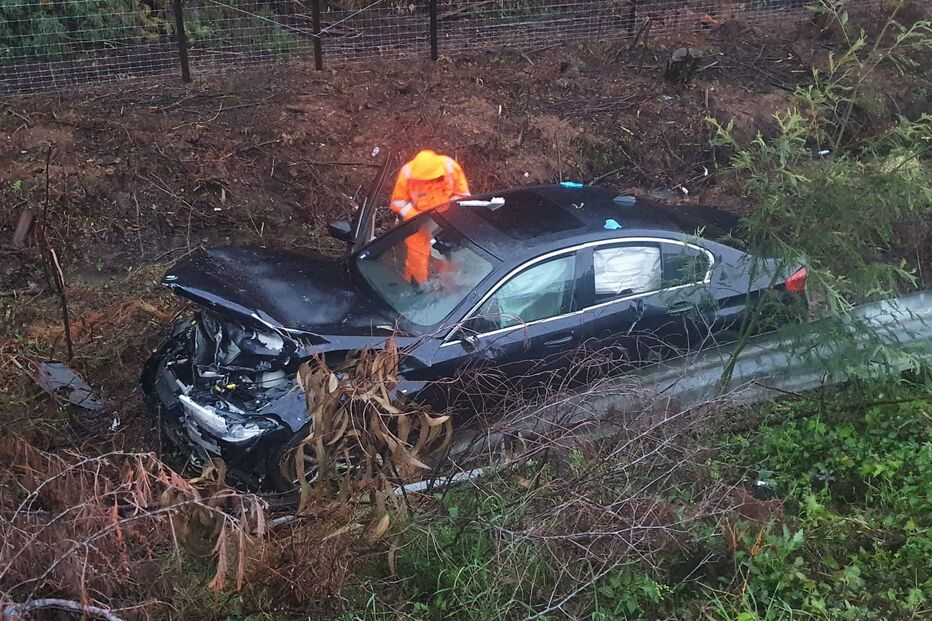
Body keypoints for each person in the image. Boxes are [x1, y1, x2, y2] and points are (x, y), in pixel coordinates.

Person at [390, 150, 470, 284]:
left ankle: (451, 285)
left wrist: (449, 213)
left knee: (448, 253)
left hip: (447, 220)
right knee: (416, 256)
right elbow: (398, 202)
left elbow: (463, 195)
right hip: (417, 221)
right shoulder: (407, 172)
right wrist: (418, 218)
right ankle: (416, 286)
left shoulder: (450, 167)